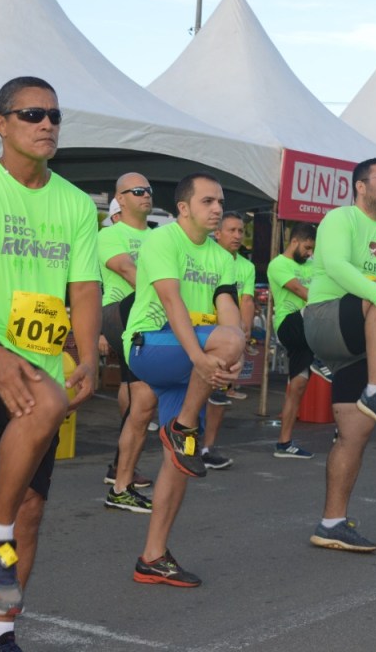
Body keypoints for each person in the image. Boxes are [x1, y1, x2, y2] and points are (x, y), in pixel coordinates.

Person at [0, 76, 101, 652]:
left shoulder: (78, 203)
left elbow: (84, 289)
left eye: (54, 114)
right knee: (45, 407)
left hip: (42, 362)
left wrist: (86, 356)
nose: (46, 124)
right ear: (0, 124)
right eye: (31, 114)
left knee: (32, 504)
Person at [125, 172, 245, 587]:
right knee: (185, 434)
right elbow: (171, 300)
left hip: (191, 360)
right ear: (183, 208)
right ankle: (185, 426)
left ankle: (152, 556)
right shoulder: (162, 240)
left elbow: (227, 309)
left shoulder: (223, 257)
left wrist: (232, 356)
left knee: (179, 463)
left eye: (220, 203)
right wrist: (202, 357)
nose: (217, 209)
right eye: (208, 201)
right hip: (150, 346)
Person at [301, 158, 376, 553]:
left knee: (355, 434)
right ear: (360, 186)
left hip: (362, 337)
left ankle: (332, 523)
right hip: (325, 319)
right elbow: (335, 266)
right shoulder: (340, 219)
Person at [98, 172, 157, 512]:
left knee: (136, 391)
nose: (146, 195)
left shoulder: (161, 236)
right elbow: (127, 270)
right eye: (137, 191)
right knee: (142, 396)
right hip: (123, 312)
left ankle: (120, 471)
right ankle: (122, 480)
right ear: (120, 199)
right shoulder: (111, 234)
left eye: (148, 190)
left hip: (149, 312)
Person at [202, 211, 256, 469]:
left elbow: (246, 300)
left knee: (218, 396)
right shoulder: (205, 255)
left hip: (226, 337)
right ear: (217, 233)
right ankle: (184, 445)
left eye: (241, 231)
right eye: (232, 230)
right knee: (192, 393)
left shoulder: (246, 267)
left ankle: (207, 449)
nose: (237, 236)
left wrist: (242, 335)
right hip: (200, 332)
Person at [265, 221, 320, 459]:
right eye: (307, 247)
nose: (309, 253)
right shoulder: (278, 264)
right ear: (294, 241)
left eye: (312, 250)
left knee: (297, 387)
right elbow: (300, 291)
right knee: (320, 306)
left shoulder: (313, 265)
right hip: (289, 325)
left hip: (308, 332)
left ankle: (284, 444)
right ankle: (324, 357)